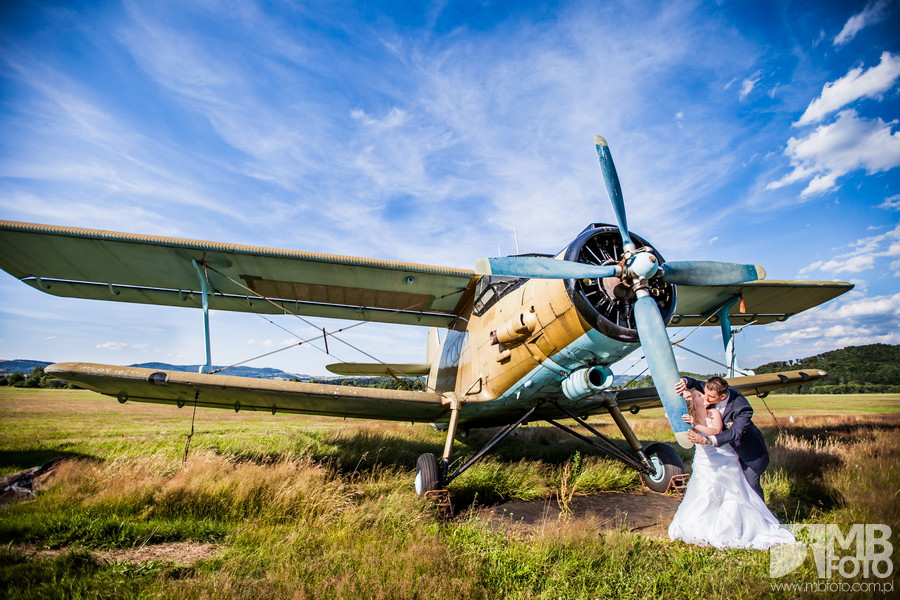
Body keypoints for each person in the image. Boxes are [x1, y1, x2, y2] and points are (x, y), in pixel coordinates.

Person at [668, 387, 795, 550]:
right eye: (700, 395)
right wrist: (681, 399)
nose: (705, 396)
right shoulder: (689, 415)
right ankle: (702, 525)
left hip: (723, 457)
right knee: (703, 492)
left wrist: (697, 428)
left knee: (734, 493)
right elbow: (668, 414)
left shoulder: (713, 413)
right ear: (693, 400)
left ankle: (738, 526)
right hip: (704, 459)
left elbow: (716, 431)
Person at [675, 375, 768, 499]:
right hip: (719, 452)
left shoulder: (742, 408)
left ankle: (760, 515)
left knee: (751, 485)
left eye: (710, 397)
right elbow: (694, 382)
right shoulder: (709, 390)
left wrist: (707, 440)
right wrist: (684, 382)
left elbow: (735, 433)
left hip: (746, 452)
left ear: (723, 396)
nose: (706, 398)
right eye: (704, 394)